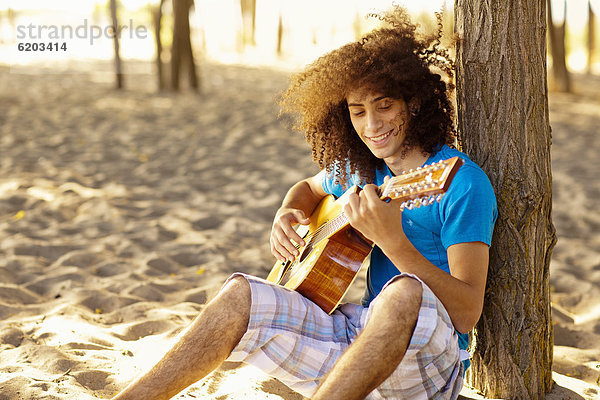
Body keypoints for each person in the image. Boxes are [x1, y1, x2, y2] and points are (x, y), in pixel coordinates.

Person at [113, 7, 497, 400]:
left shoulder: (462, 183)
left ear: (412, 103)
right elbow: (309, 188)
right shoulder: (362, 168)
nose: (371, 125)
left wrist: (393, 242)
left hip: (428, 362)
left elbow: (467, 311)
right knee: (239, 293)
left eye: (384, 106)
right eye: (358, 111)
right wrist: (286, 212)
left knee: (403, 293)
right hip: (358, 341)